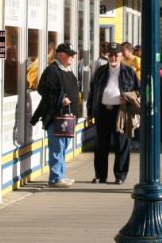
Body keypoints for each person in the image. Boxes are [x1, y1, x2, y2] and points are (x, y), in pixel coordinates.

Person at [88, 42, 140, 184]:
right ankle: (100, 175)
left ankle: (120, 175)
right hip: (102, 111)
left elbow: (139, 91)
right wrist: (89, 112)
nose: (113, 58)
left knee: (122, 145)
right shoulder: (100, 71)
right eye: (110, 55)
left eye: (116, 55)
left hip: (121, 113)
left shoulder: (129, 72)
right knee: (100, 146)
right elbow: (92, 92)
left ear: (121, 56)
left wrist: (129, 97)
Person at [31, 42, 79, 188]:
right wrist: (61, 99)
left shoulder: (68, 70)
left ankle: (61, 175)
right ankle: (55, 178)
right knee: (57, 147)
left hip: (68, 117)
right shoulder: (52, 70)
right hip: (56, 116)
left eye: (72, 54)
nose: (72, 57)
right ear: (59, 55)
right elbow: (42, 89)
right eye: (69, 54)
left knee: (63, 147)